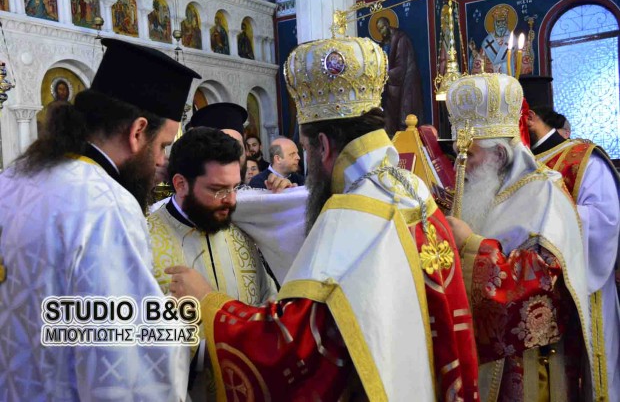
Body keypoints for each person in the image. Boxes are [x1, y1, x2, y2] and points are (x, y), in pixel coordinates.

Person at [165, 35, 479, 401]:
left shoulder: (352, 214)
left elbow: (294, 347)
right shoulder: (412, 189)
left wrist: (209, 304)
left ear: (324, 147)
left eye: (306, 147)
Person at [0, 38, 201, 400]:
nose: (162, 161)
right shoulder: (105, 204)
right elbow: (127, 363)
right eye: (163, 145)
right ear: (137, 132)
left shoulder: (12, 179)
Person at [445, 74, 597, 401]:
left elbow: (546, 288)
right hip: (486, 359)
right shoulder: (486, 191)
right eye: (459, 156)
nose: (461, 169)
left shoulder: (543, 194)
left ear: (499, 155)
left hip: (531, 368)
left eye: (469, 157)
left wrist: (472, 245)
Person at [148, 127, 277, 400]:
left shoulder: (241, 233)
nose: (231, 200)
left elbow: (269, 301)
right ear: (181, 184)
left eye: (234, 187)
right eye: (217, 190)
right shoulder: (143, 241)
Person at [529, 106, 620, 401]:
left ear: (529, 118)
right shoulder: (519, 163)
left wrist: (544, 212)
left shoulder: (583, 158)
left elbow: (605, 220)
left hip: (584, 288)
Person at [375, 16, 424, 136]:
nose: (382, 32)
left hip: (405, 83)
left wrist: (383, 75)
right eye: (379, 30)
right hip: (391, 84)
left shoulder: (400, 39)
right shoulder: (384, 43)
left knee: (404, 114)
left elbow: (401, 68)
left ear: (388, 25)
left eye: (382, 28)